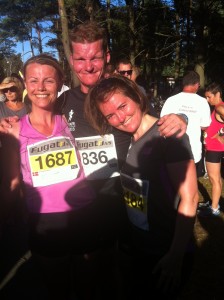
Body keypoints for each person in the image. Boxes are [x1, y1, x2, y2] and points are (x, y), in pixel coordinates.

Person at [0, 21, 188, 298]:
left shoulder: (122, 94)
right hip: (77, 216)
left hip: (124, 212)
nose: (88, 66)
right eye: (80, 58)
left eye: (95, 57)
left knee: (115, 283)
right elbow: (39, 112)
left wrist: (179, 118)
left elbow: (148, 121)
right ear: (72, 61)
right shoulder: (62, 104)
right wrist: (11, 125)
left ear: (106, 57)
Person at [0, 54, 123, 300]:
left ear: (60, 84)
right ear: (26, 85)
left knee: (88, 289)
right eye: (34, 81)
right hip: (46, 225)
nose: (41, 88)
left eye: (49, 81)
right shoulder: (13, 129)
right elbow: (9, 184)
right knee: (59, 292)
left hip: (85, 216)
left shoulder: (67, 119)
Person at [84, 74, 199, 299]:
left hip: (166, 251)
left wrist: (175, 256)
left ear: (137, 97)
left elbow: (191, 197)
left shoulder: (168, 135)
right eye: (110, 115)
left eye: (123, 106)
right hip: (141, 249)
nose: (120, 117)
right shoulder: (127, 137)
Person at [160, 70, 211, 177]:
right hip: (192, 151)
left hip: (171, 149)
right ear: (197, 84)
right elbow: (205, 125)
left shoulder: (171, 100)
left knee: (172, 183)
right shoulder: (202, 102)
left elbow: (161, 122)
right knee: (189, 184)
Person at [198, 83, 224, 217]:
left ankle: (214, 209)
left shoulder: (220, 107)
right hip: (216, 148)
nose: (207, 100)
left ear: (217, 94)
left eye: (209, 97)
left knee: (214, 180)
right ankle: (215, 202)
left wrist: (221, 135)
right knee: (217, 179)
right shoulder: (218, 107)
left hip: (214, 149)